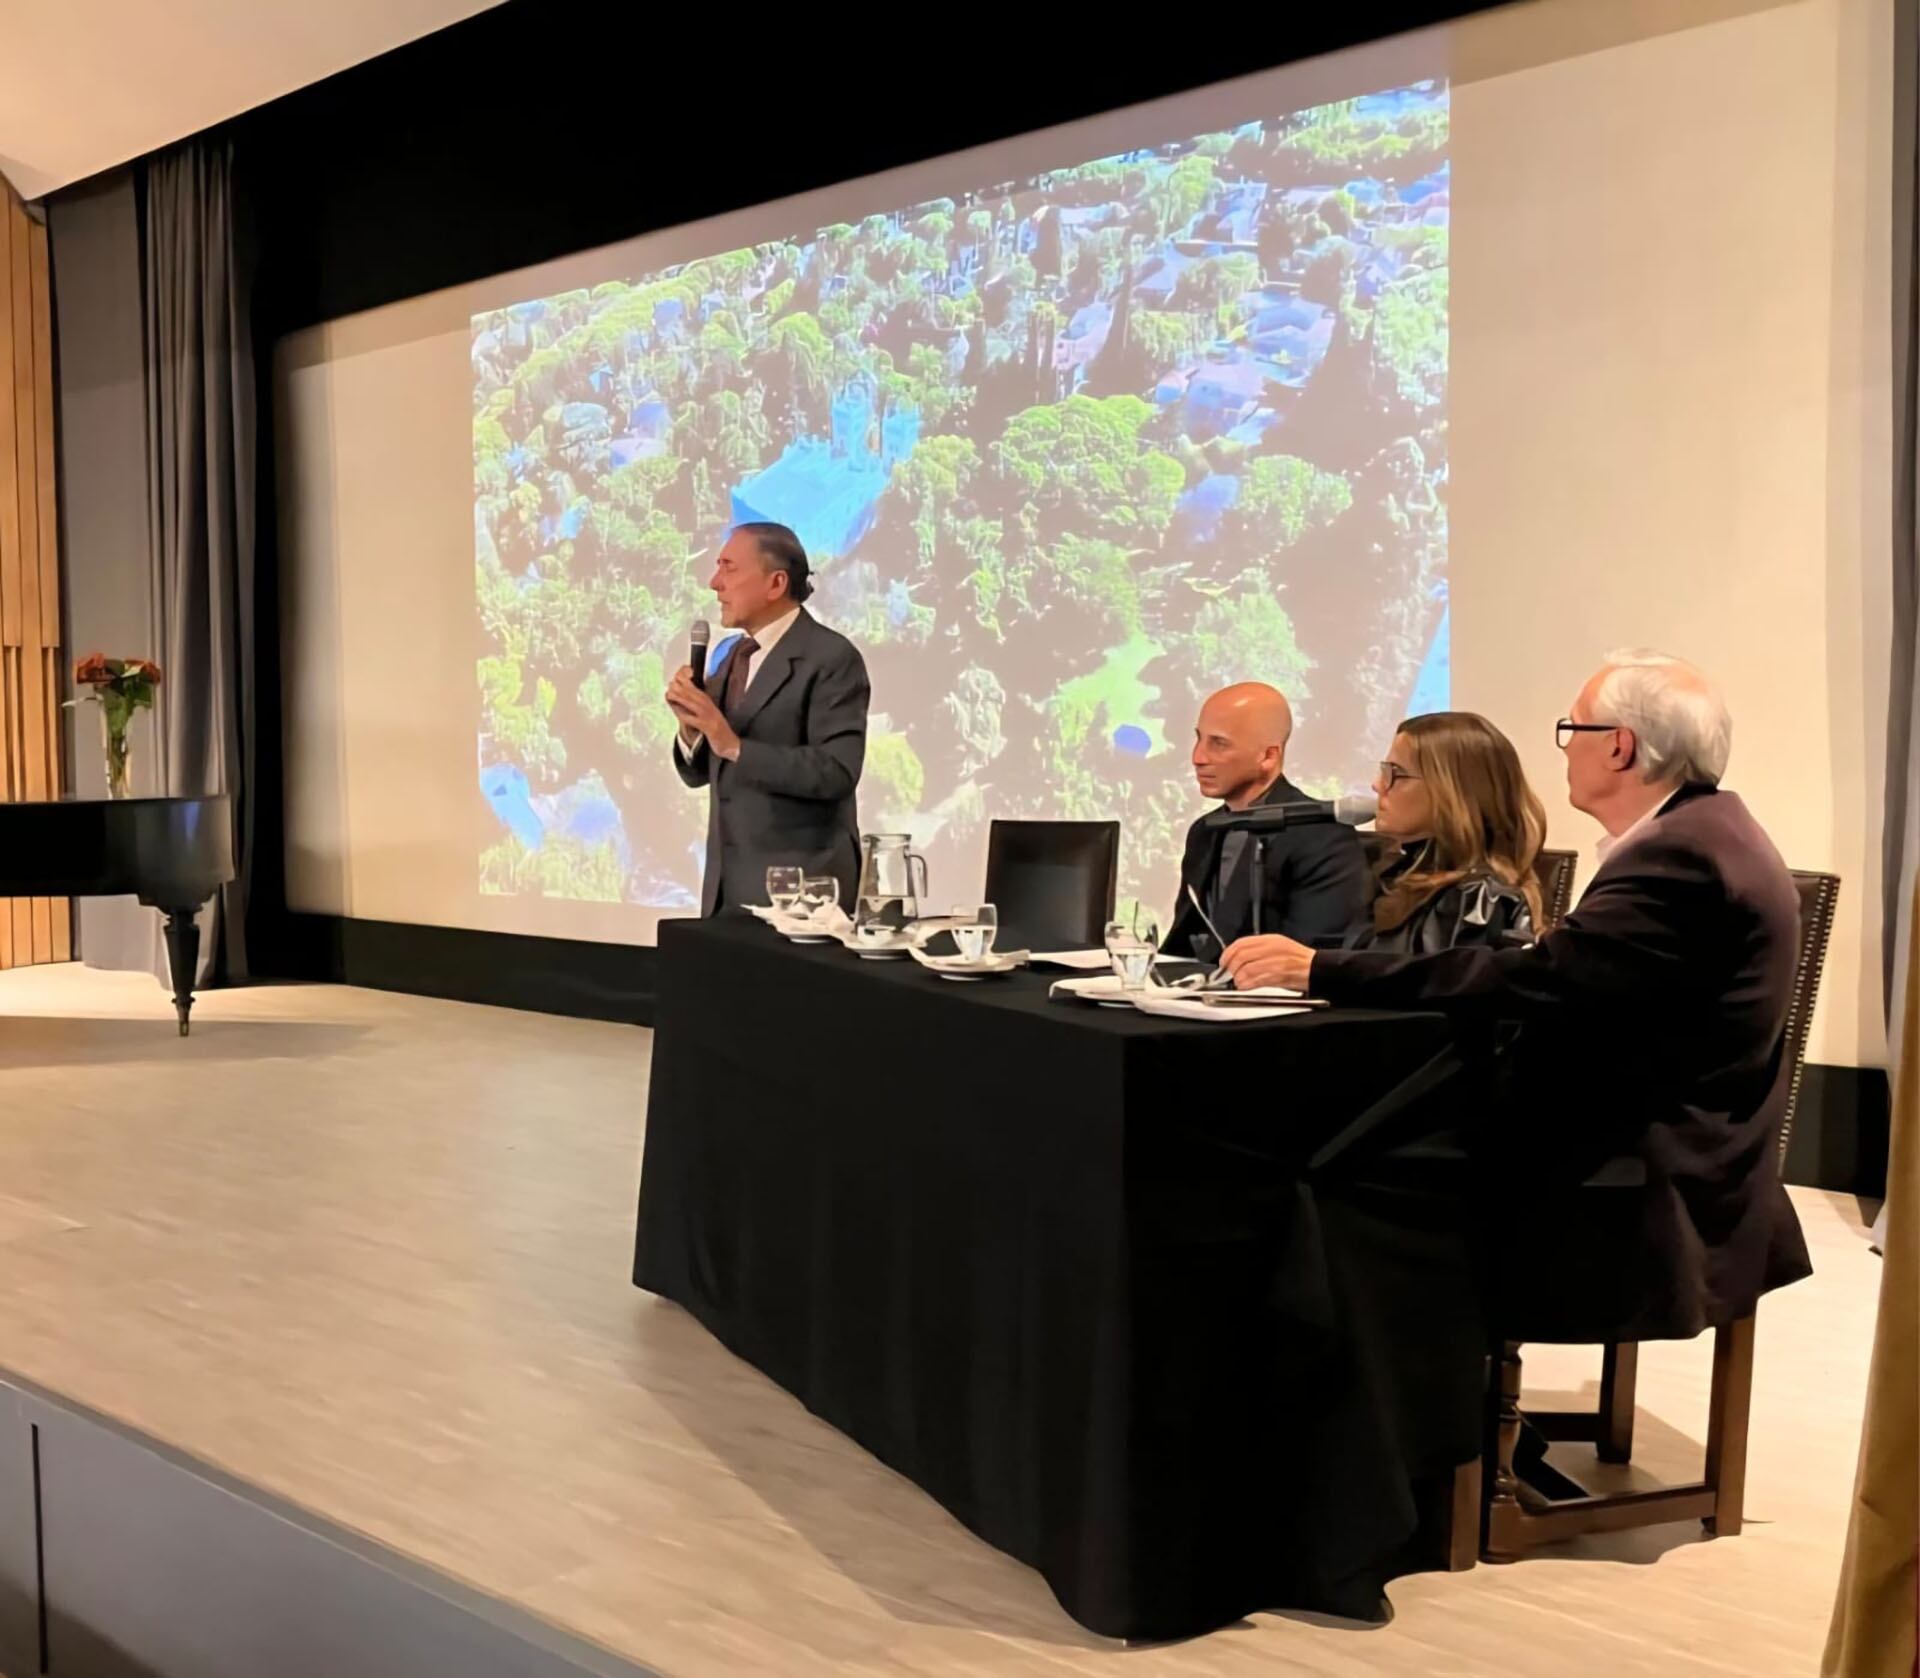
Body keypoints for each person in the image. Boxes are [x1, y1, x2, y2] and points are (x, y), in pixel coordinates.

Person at [1220, 650, 1811, 1343]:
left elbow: (1539, 979)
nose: (1564, 750)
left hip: (1648, 1173)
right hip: (1685, 1145)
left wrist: (1323, 970)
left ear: (1618, 747)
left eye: (1573, 729)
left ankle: (1405, 1397)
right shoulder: (1708, 832)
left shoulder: (1680, 855)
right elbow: (1575, 976)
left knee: (1340, 1175)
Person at [665, 523, 869, 917]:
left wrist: (734, 746)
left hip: (804, 899)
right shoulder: (733, 656)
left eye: (728, 568)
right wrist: (691, 732)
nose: (714, 583)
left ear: (776, 583)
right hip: (727, 895)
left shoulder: (831, 657)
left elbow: (837, 771)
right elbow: (701, 774)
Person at [1163, 682, 1371, 958]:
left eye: (1219, 744)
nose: (1198, 757)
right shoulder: (1205, 831)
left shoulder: (1323, 838)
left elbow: (1312, 958)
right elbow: (1184, 943)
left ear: (1268, 756)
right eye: (1199, 739)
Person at [1359, 711, 1545, 955]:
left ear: (1452, 792)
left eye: (1396, 773)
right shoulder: (1397, 873)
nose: (1377, 785)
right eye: (1384, 770)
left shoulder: (1476, 900)